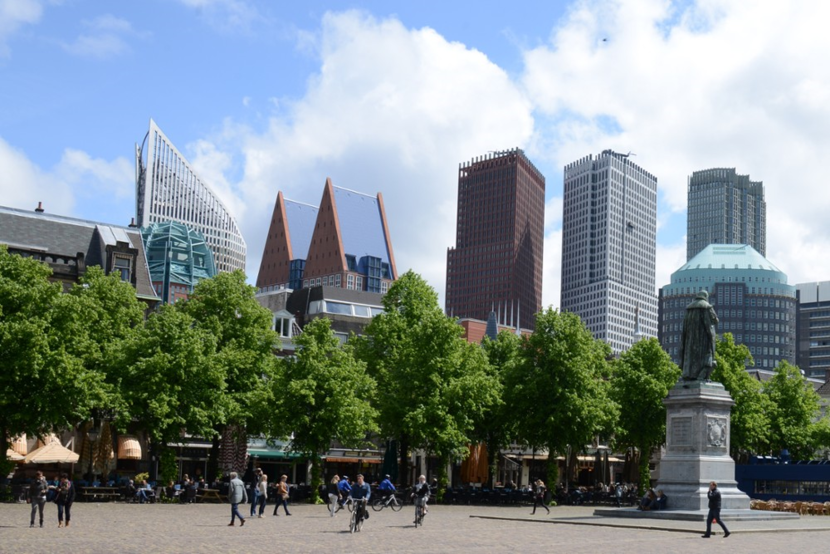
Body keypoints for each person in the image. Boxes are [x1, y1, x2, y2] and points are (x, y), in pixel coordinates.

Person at [680, 290, 719, 381]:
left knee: (691, 357)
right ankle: (701, 376)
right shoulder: (707, 307)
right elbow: (715, 320)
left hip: (689, 341)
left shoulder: (689, 310)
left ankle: (689, 375)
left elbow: (684, 327)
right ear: (706, 297)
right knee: (704, 357)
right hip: (703, 339)